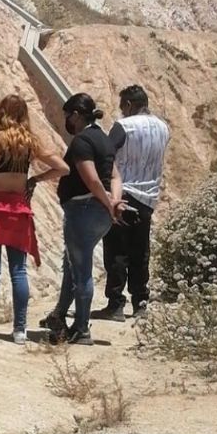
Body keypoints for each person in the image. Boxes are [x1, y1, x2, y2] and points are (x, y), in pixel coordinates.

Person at [0, 95, 70, 345]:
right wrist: (34, 180)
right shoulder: (29, 142)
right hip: (19, 210)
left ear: (1, 112)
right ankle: (20, 330)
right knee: (19, 270)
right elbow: (63, 167)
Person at [41, 93, 124, 344]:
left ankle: (81, 329)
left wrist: (109, 202)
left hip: (83, 212)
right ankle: (59, 315)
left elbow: (92, 180)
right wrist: (114, 201)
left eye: (68, 115)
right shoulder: (105, 140)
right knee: (72, 265)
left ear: (76, 115)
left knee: (81, 270)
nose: (67, 120)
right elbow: (115, 177)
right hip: (99, 214)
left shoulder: (81, 142)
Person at [91, 85, 170, 321]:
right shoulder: (163, 128)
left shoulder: (124, 126)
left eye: (121, 106)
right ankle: (140, 302)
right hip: (149, 197)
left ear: (128, 105)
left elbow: (106, 153)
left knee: (116, 252)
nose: (120, 111)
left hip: (123, 194)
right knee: (140, 251)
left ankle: (115, 304)